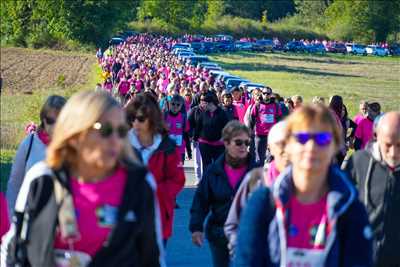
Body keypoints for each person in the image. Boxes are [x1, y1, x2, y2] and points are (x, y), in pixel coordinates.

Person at [1, 91, 165, 267]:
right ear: (75, 134)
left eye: (121, 130)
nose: (115, 139)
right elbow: (14, 250)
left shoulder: (140, 183)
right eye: (105, 130)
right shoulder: (42, 179)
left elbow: (153, 258)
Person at [234, 105, 372, 267]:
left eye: (322, 139)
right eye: (302, 138)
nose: (311, 147)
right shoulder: (262, 203)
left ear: (335, 146)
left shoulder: (351, 208)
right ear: (289, 145)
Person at [190, 121, 257, 267]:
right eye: (238, 143)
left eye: (247, 142)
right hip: (219, 232)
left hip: (248, 234)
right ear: (226, 143)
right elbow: (201, 201)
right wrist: (196, 228)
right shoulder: (213, 171)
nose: (244, 147)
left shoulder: (256, 171)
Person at [126, 92, 185, 245]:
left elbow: (178, 179)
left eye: (140, 119)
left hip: (158, 216)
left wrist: (154, 191)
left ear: (152, 119)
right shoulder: (121, 145)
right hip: (128, 218)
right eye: (132, 118)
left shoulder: (167, 146)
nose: (135, 124)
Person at [224, 121, 289, 257]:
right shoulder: (256, 178)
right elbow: (233, 224)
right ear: (270, 147)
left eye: (290, 143)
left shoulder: (309, 182)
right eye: (280, 144)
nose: (285, 149)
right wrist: (243, 254)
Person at [343, 112, 400, 267]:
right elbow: (341, 203)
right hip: (363, 255)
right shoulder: (359, 160)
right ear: (376, 136)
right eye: (388, 145)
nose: (394, 153)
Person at [6, 95, 66, 215]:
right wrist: (12, 217)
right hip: (30, 216)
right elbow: (14, 184)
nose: (54, 127)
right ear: (43, 120)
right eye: (50, 121)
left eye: (59, 121)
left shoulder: (71, 147)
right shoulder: (29, 143)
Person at [193, 91, 229, 173]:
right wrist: (195, 139)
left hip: (218, 145)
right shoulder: (203, 113)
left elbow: (228, 127)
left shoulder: (221, 113)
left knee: (218, 166)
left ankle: (216, 183)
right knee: (206, 166)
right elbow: (198, 127)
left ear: (211, 103)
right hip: (205, 143)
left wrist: (224, 138)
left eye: (205, 103)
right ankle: (207, 183)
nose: (203, 105)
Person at [249, 88, 282, 165]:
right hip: (260, 135)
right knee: (259, 158)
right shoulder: (257, 105)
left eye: (268, 93)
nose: (266, 95)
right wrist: (251, 130)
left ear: (271, 95)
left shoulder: (275, 105)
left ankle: (270, 173)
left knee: (273, 157)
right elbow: (252, 118)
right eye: (264, 93)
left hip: (272, 135)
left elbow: (279, 118)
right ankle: (260, 173)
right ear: (262, 94)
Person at [164, 94, 190, 163]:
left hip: (180, 150)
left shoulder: (183, 117)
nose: (175, 107)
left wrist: (189, 150)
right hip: (167, 150)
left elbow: (186, 135)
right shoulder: (165, 116)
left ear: (181, 106)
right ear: (169, 104)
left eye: (178, 105)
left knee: (178, 171)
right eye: (173, 104)